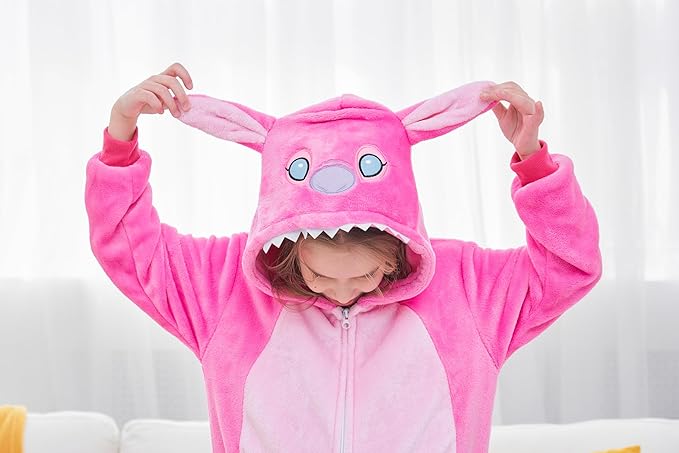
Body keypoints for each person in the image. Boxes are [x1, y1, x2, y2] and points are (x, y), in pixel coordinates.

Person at [85, 62, 602, 452]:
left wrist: (534, 165)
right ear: (287, 248)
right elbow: (132, 251)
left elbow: (568, 266)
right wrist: (120, 137)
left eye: (367, 274)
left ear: (399, 249)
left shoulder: (466, 291)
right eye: (316, 275)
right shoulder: (225, 289)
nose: (342, 291)